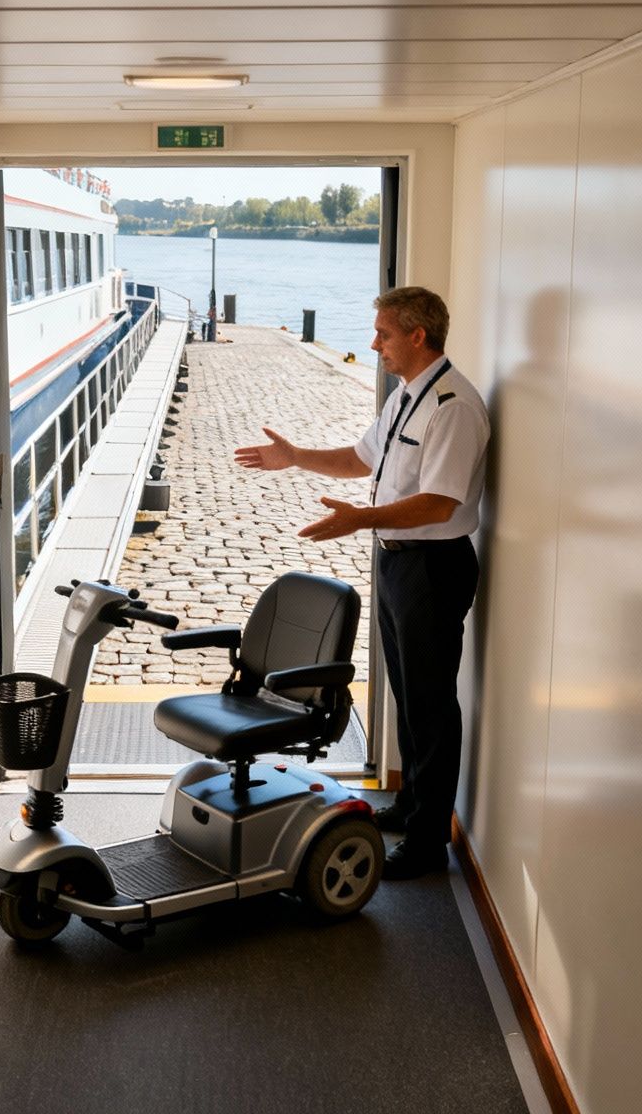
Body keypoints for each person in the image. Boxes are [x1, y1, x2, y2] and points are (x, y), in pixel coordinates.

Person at [234, 286, 488, 879]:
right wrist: (295, 457)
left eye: (384, 333)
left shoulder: (452, 405)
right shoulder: (409, 396)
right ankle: (410, 805)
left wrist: (360, 519)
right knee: (406, 691)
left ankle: (427, 844)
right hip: (399, 563)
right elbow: (360, 459)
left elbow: (438, 502)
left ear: (417, 336)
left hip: (433, 566)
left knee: (431, 706)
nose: (373, 343)